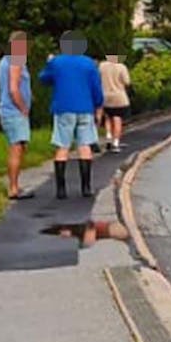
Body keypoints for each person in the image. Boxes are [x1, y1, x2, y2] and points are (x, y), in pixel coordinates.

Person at [38, 30, 104, 218]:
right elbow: (96, 88)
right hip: (84, 107)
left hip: (63, 108)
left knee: (63, 146)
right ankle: (86, 188)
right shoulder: (89, 63)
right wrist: (98, 104)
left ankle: (61, 190)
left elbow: (43, 79)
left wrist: (49, 62)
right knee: (85, 146)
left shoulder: (57, 62)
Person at [0, 31, 34, 200]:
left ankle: (15, 185)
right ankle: (13, 188)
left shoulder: (4, 61)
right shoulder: (16, 60)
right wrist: (23, 107)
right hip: (14, 111)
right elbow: (13, 88)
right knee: (16, 148)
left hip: (7, 110)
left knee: (18, 147)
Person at [99, 52, 131, 153]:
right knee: (117, 119)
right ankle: (115, 143)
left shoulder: (102, 66)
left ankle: (108, 136)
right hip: (119, 97)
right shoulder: (121, 67)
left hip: (105, 96)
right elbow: (127, 82)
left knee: (108, 117)